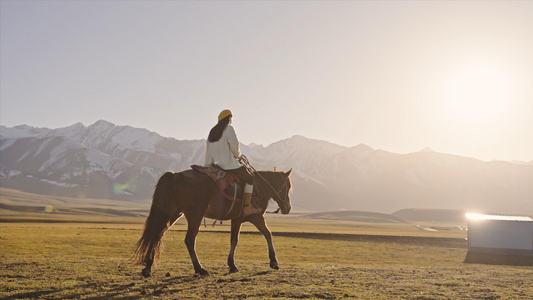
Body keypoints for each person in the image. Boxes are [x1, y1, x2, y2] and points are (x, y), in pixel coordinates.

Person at [204, 109, 261, 216]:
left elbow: (208, 148)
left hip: (212, 164)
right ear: (228, 118)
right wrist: (239, 156)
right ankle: (247, 207)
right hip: (227, 165)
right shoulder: (229, 128)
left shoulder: (212, 131)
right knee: (250, 178)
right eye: (231, 118)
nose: (231, 120)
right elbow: (235, 148)